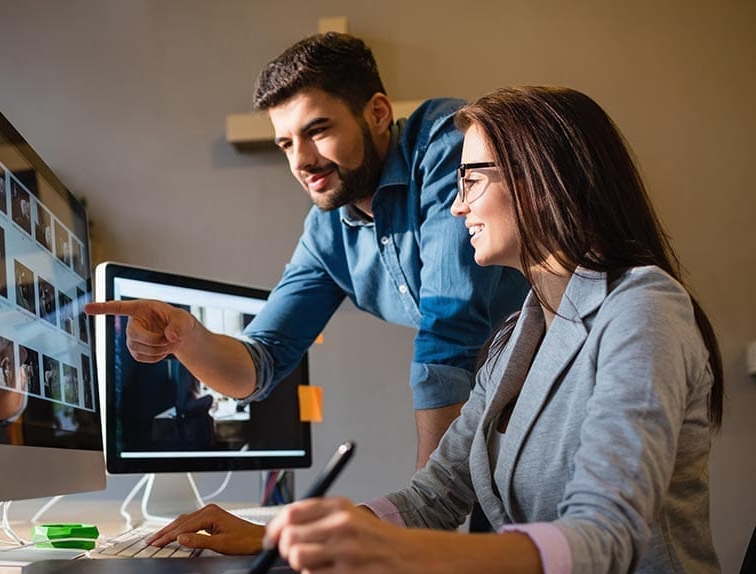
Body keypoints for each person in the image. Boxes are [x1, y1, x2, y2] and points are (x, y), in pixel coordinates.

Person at [148, 86, 756, 574]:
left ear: (540, 179)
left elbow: (601, 552)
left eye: (471, 179)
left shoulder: (642, 309)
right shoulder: (518, 336)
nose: (457, 203)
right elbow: (435, 495)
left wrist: (399, 557)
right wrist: (279, 535)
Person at [86, 33, 528, 468]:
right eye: (286, 143)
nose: (301, 160)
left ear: (377, 113)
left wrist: (428, 510)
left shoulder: (447, 141)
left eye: (317, 131)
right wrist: (188, 337)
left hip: (567, 373)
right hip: (498, 407)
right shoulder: (326, 233)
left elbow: (450, 330)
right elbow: (260, 363)